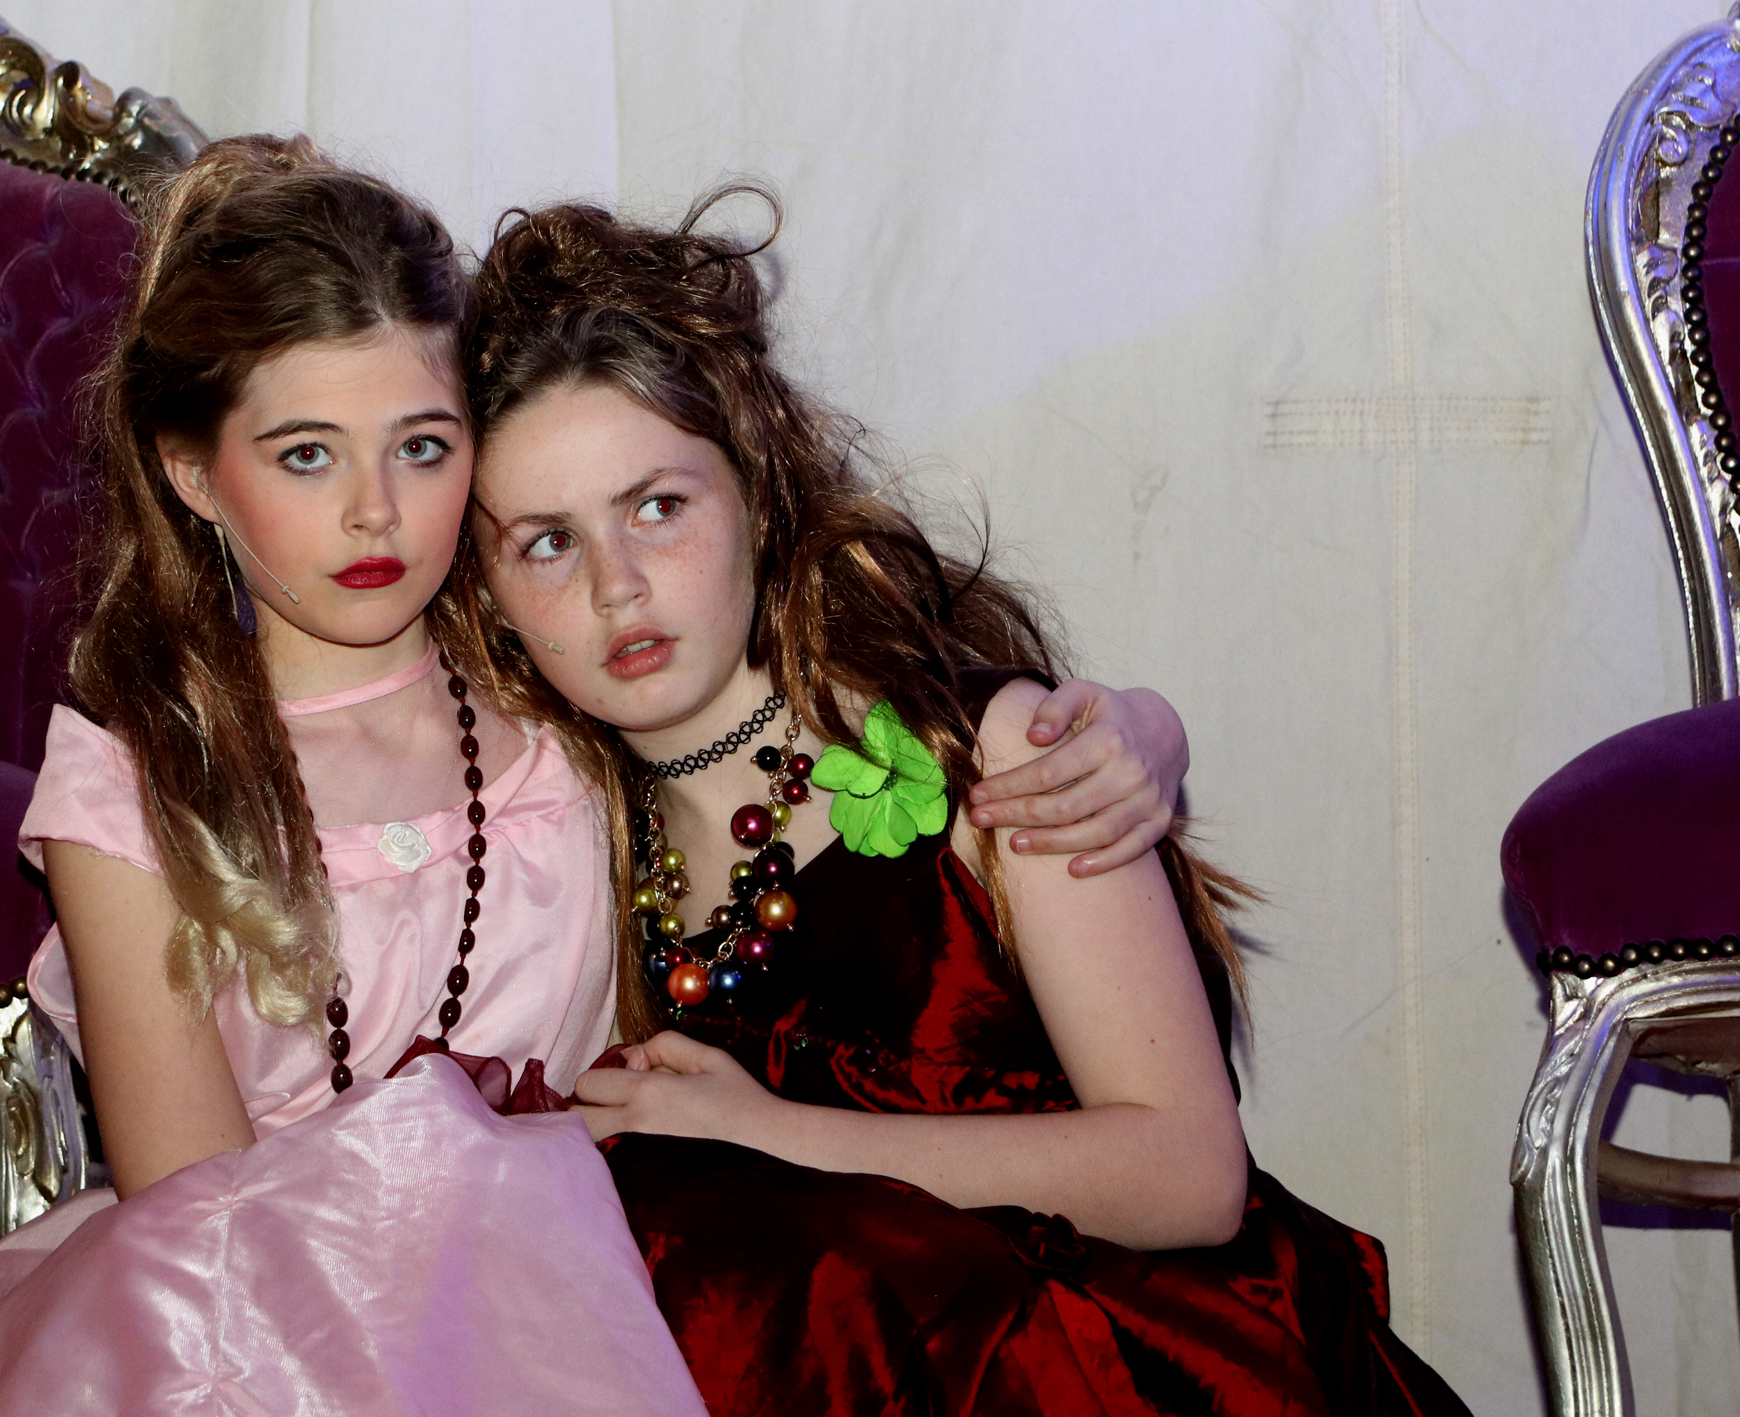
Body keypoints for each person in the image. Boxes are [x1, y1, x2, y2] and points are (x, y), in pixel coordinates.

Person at [0, 139, 1191, 1414]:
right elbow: (198, 1227)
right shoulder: (142, 780)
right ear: (191, 472)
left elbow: (799, 695)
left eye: (420, 446)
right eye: (305, 454)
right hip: (267, 1342)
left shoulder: (544, 702)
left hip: (625, 1298)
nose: (372, 512)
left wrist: (1130, 729)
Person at [450, 191, 1475, 1416]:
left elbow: (1191, 1172)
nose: (615, 585)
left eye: (656, 506)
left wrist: (777, 1134)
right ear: (490, 595)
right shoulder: (568, 844)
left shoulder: (989, 754)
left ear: (757, 494)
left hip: (1114, 1367)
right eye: (547, 542)